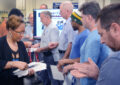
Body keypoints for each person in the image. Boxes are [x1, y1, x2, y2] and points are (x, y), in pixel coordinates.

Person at [71, 3, 120, 85]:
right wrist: (97, 75)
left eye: (102, 34)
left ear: (115, 29)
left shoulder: (115, 61)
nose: (101, 41)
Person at [0, 15, 34, 85]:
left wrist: (29, 71)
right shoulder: (1, 43)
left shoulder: (21, 45)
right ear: (10, 30)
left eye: (23, 32)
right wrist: (13, 64)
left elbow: (26, 63)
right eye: (19, 32)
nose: (22, 35)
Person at [32, 11, 61, 85]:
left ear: (47, 17)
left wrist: (40, 49)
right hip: (47, 56)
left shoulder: (53, 28)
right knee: (48, 76)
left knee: (55, 78)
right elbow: (46, 41)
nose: (40, 20)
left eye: (41, 18)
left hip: (52, 57)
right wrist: (38, 45)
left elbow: (53, 45)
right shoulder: (46, 27)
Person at [61, 11, 89, 85]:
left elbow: (83, 58)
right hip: (73, 69)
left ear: (76, 21)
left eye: (72, 21)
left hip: (78, 72)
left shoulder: (84, 35)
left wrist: (67, 61)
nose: (71, 23)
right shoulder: (77, 33)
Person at [56, 1, 77, 71]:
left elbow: (70, 44)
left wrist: (64, 60)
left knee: (65, 77)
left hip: (65, 55)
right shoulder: (67, 22)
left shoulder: (70, 24)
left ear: (67, 11)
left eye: (61, 11)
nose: (60, 13)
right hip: (63, 54)